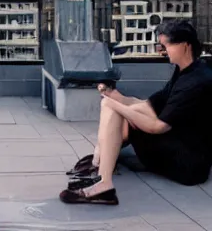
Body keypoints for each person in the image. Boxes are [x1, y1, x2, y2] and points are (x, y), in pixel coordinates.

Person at [61, 19, 212, 205]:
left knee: (117, 111)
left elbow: (158, 127)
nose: (161, 50)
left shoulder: (196, 81)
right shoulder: (185, 71)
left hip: (188, 166)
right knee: (118, 109)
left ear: (185, 45)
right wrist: (114, 96)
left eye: (165, 45)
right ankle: (101, 168)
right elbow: (148, 105)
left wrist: (114, 105)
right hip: (180, 145)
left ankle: (102, 178)